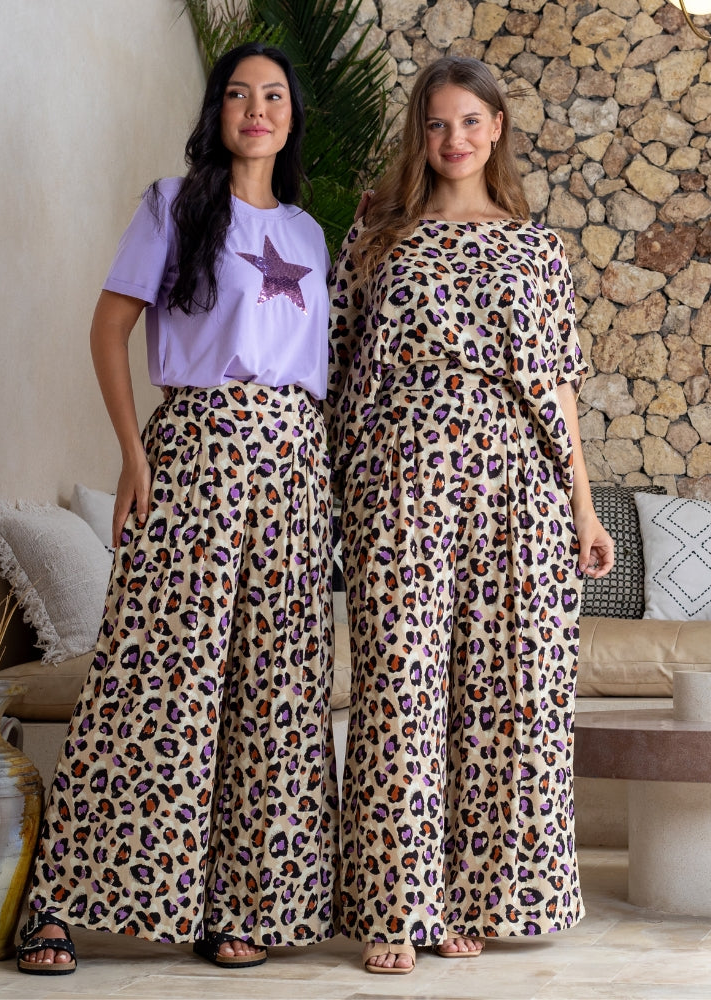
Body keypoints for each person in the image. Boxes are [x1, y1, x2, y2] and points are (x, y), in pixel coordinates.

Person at [16, 41, 339, 976]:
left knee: (272, 690)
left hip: (295, 466)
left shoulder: (312, 236)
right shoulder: (174, 203)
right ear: (218, 112)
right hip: (196, 448)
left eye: (273, 95)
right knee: (157, 679)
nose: (256, 109)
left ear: (290, 117)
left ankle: (236, 905)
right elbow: (108, 328)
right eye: (238, 94)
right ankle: (61, 904)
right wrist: (130, 454)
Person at [325, 55, 614, 975]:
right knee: (401, 688)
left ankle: (471, 895)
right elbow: (335, 367)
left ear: (497, 128)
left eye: (470, 123)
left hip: (521, 484)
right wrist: (332, 490)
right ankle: (391, 903)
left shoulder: (537, 247)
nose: (454, 140)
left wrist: (584, 508)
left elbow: (558, 386)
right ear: (423, 133)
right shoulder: (377, 232)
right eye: (438, 124)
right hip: (402, 475)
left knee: (502, 696)